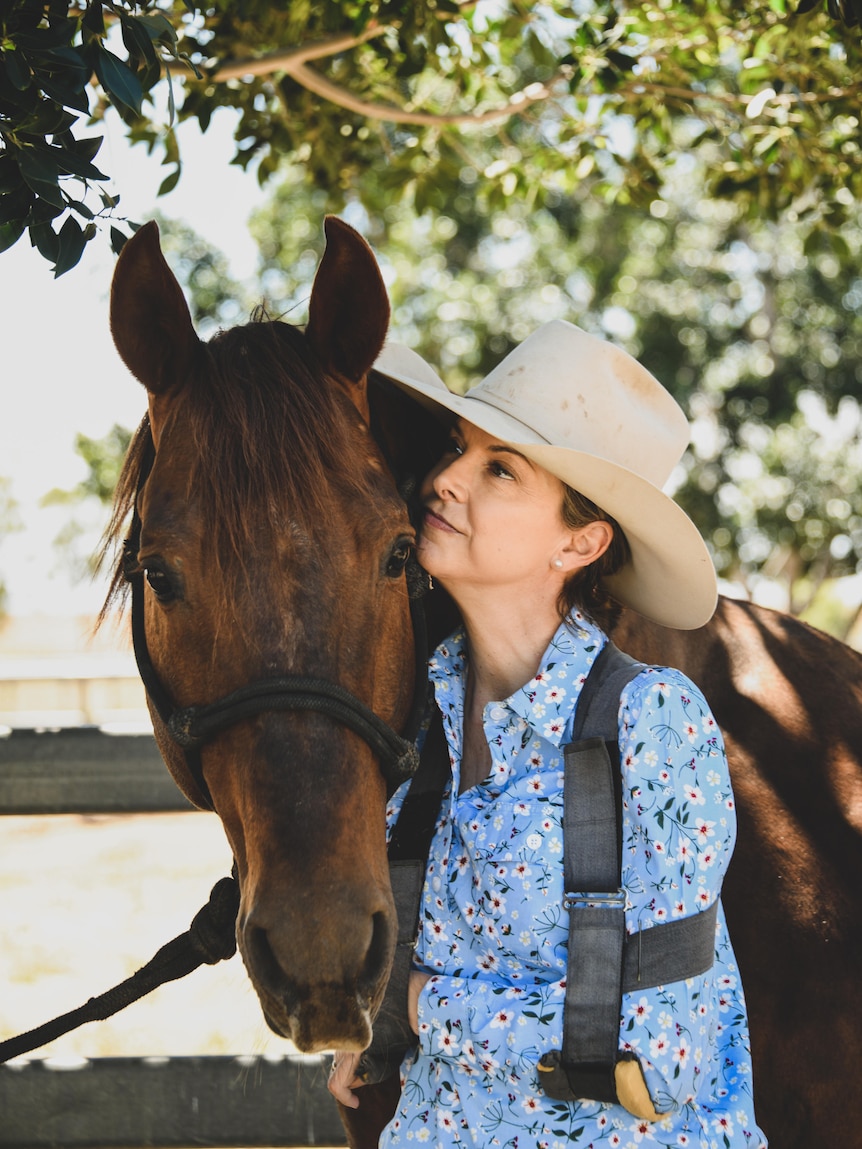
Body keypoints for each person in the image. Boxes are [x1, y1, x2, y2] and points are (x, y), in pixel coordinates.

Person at [329, 319, 767, 1147]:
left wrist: (420, 1004)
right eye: (459, 447)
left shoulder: (651, 722)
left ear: (583, 540)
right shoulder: (416, 727)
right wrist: (385, 1028)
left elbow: (656, 1054)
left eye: (499, 469)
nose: (447, 479)